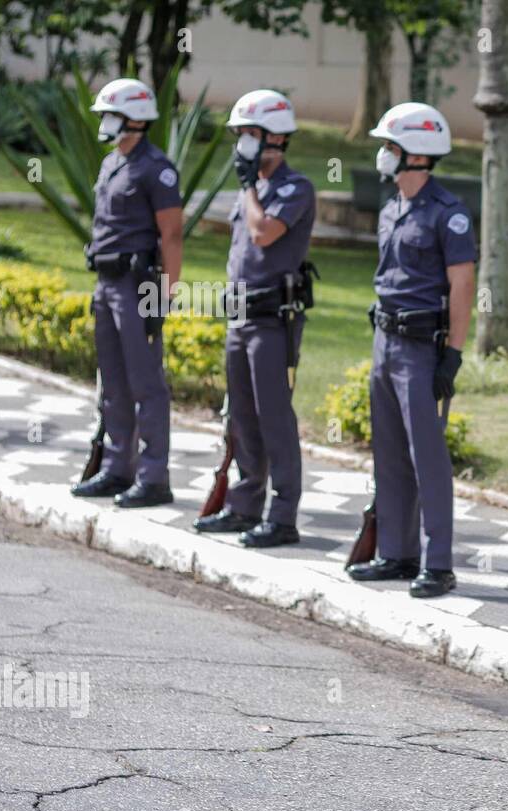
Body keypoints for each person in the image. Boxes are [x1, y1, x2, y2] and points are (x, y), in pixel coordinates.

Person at [345, 103, 475, 598]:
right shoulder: (390, 208)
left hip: (423, 347)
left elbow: (462, 285)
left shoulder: (449, 215)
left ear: (416, 156)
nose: (382, 155)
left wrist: (454, 354)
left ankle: (437, 563)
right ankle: (395, 554)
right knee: (390, 453)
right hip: (385, 341)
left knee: (428, 457)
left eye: (390, 147)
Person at [194, 90, 315, 548]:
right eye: (240, 133)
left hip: (273, 319)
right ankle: (244, 506)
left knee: (273, 416)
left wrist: (247, 186)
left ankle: (282, 516)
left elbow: (264, 234)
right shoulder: (255, 189)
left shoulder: (294, 188)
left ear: (276, 138)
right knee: (241, 416)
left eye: (250, 133)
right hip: (240, 315)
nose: (242, 142)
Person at [71, 78, 182, 507]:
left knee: (145, 382)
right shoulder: (112, 162)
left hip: (139, 286)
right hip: (106, 284)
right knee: (113, 382)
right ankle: (117, 468)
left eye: (109, 114)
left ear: (134, 118)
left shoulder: (157, 168)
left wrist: (166, 295)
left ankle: (154, 477)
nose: (103, 121)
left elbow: (172, 235)